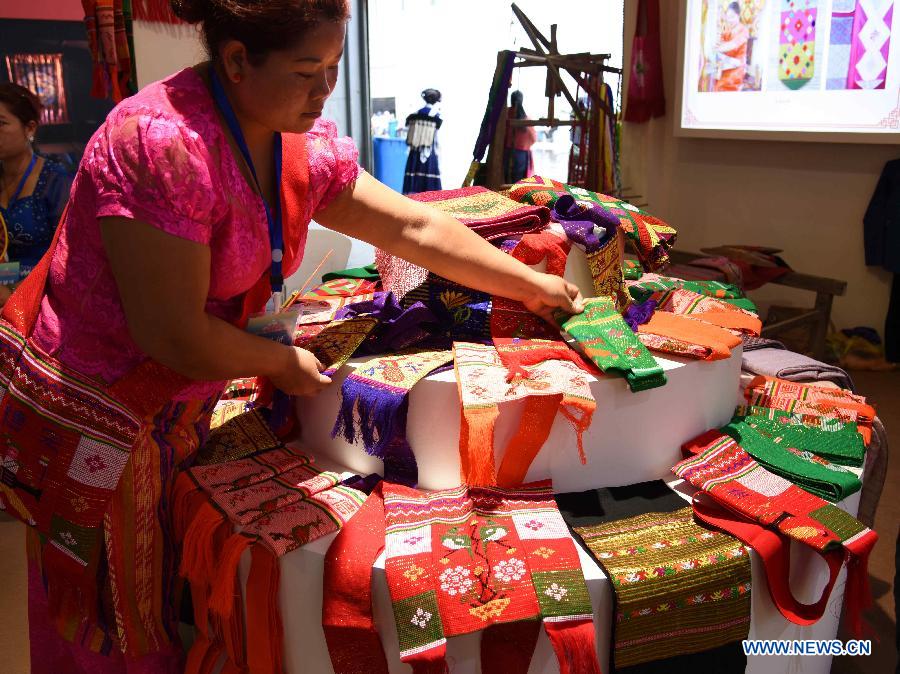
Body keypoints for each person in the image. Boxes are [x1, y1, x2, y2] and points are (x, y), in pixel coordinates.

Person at [15, 1, 584, 671]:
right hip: (105, 410)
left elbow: (414, 230)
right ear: (235, 61)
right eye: (307, 71)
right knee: (116, 625)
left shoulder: (293, 142)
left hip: (179, 404)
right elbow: (171, 335)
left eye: (334, 69)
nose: (324, 91)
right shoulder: (161, 145)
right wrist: (281, 365)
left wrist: (529, 285)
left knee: (178, 602)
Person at [0, 83, 72, 302]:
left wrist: (14, 292)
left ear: (30, 128)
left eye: (1, 124)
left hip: (45, 296)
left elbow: (69, 256)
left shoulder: (55, 180)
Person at [401, 87, 442, 193]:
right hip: (429, 153)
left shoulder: (414, 115)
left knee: (414, 184)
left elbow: (407, 131)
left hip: (415, 153)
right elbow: (437, 140)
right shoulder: (436, 117)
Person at [713, 1, 750, 92]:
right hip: (726, 65)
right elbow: (720, 41)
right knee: (715, 85)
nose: (730, 20)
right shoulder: (727, 29)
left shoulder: (743, 30)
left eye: (732, 17)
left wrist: (718, 48)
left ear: (738, 15)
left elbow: (733, 45)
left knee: (722, 87)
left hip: (737, 68)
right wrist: (717, 43)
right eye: (728, 17)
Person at [504, 89, 537, 184]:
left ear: (511, 100)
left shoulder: (505, 114)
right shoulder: (526, 119)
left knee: (504, 179)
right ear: (522, 101)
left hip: (505, 153)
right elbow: (533, 139)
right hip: (521, 156)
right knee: (517, 183)